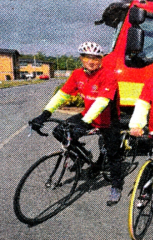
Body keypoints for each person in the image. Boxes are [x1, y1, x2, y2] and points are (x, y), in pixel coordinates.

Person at [30, 42, 123, 206]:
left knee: (113, 155)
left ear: (101, 60)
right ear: (81, 58)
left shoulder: (108, 75)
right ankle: (81, 157)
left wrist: (85, 123)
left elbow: (101, 103)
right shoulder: (77, 74)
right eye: (88, 57)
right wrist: (44, 115)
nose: (92, 61)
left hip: (109, 120)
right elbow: (62, 95)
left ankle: (116, 185)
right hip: (88, 115)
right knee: (59, 131)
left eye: (96, 58)